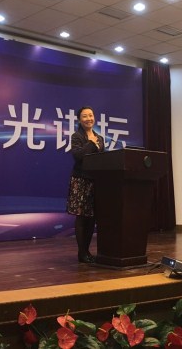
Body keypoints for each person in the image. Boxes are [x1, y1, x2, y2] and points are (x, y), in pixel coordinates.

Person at [67, 106, 105, 263]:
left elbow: (103, 159)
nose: (89, 118)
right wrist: (90, 143)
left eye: (91, 115)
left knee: (92, 218)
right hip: (81, 180)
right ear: (79, 119)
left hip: (96, 181)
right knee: (82, 217)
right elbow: (78, 156)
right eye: (85, 116)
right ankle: (82, 253)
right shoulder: (76, 136)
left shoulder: (100, 138)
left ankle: (87, 252)